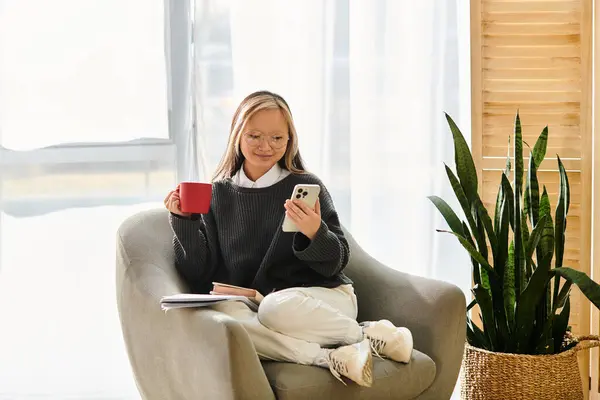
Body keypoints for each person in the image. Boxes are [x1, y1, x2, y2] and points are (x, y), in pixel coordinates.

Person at [164, 90, 413, 387]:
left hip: (322, 301)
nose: (265, 146)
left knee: (274, 308)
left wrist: (314, 233)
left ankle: (363, 332)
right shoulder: (219, 194)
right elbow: (197, 272)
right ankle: (328, 357)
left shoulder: (306, 186)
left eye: (277, 138)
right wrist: (184, 221)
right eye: (255, 136)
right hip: (257, 306)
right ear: (237, 136)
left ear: (289, 141)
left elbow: (335, 264)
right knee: (223, 323)